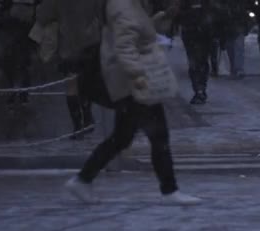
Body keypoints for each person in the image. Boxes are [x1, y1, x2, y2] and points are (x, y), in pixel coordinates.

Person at [65, 0, 202, 205]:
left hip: (130, 82)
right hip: (133, 83)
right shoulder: (123, 5)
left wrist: (162, 17)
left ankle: (83, 179)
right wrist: (137, 74)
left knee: (123, 137)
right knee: (158, 135)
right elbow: (125, 46)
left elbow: (140, 32)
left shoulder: (130, 5)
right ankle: (169, 190)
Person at [35, 0, 99, 139]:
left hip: (69, 43)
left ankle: (77, 126)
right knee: (86, 80)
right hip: (90, 42)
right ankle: (87, 117)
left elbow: (43, 15)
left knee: (72, 84)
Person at [177, 0, 216, 105]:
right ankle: (199, 90)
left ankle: (200, 89)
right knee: (196, 64)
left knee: (200, 63)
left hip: (202, 35)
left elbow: (214, 13)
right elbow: (179, 14)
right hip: (193, 35)